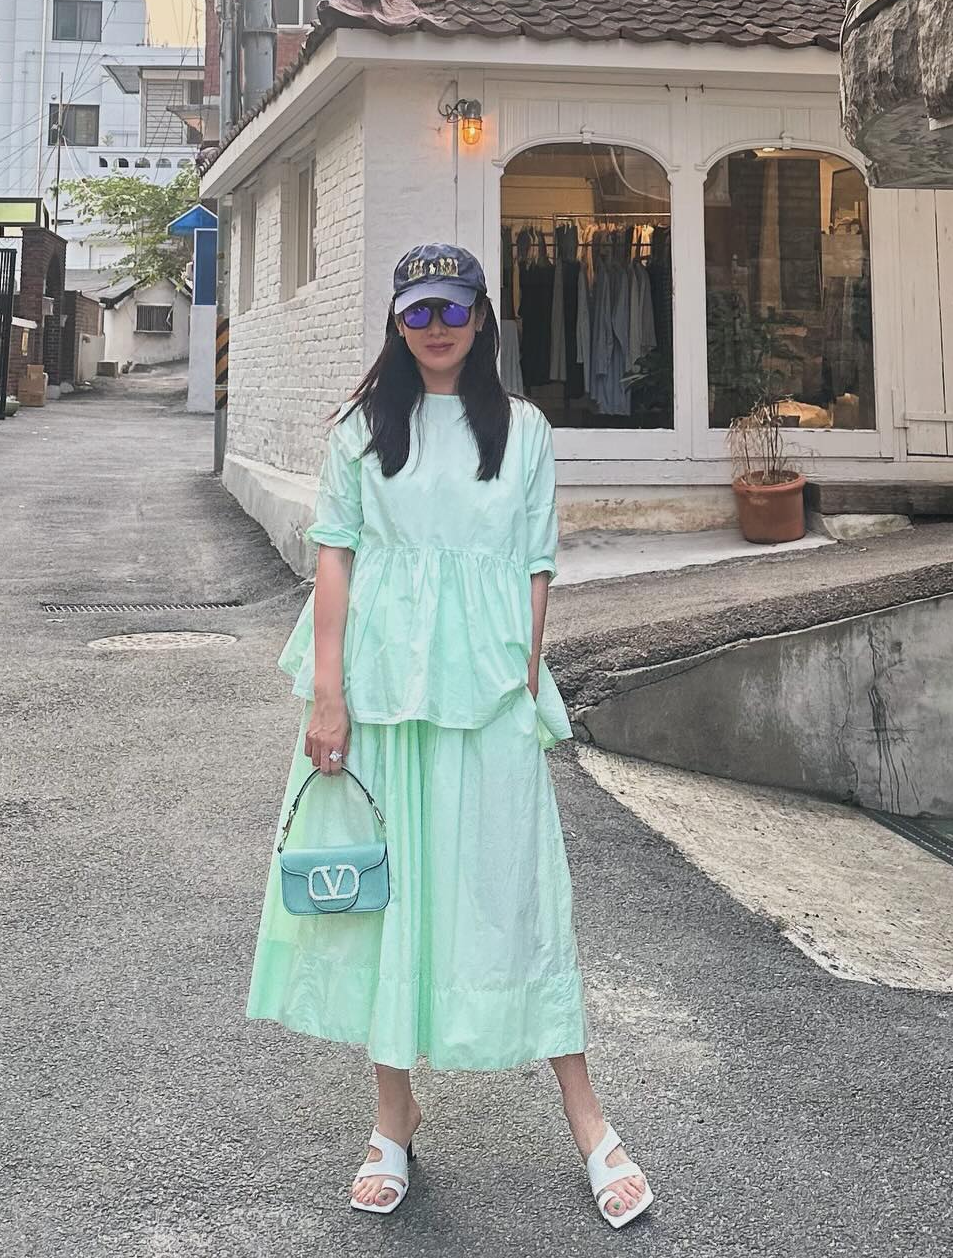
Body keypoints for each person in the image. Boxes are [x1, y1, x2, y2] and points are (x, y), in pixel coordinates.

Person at [246, 243, 654, 1226]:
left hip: (487, 691)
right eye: (419, 312)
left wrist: (523, 675)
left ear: (481, 319)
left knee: (517, 894)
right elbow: (335, 563)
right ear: (397, 321)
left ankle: (590, 1121)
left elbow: (536, 564)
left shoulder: (524, 429)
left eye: (453, 310)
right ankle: (392, 1118)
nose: (437, 328)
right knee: (387, 901)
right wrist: (328, 699)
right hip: (381, 690)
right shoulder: (359, 430)